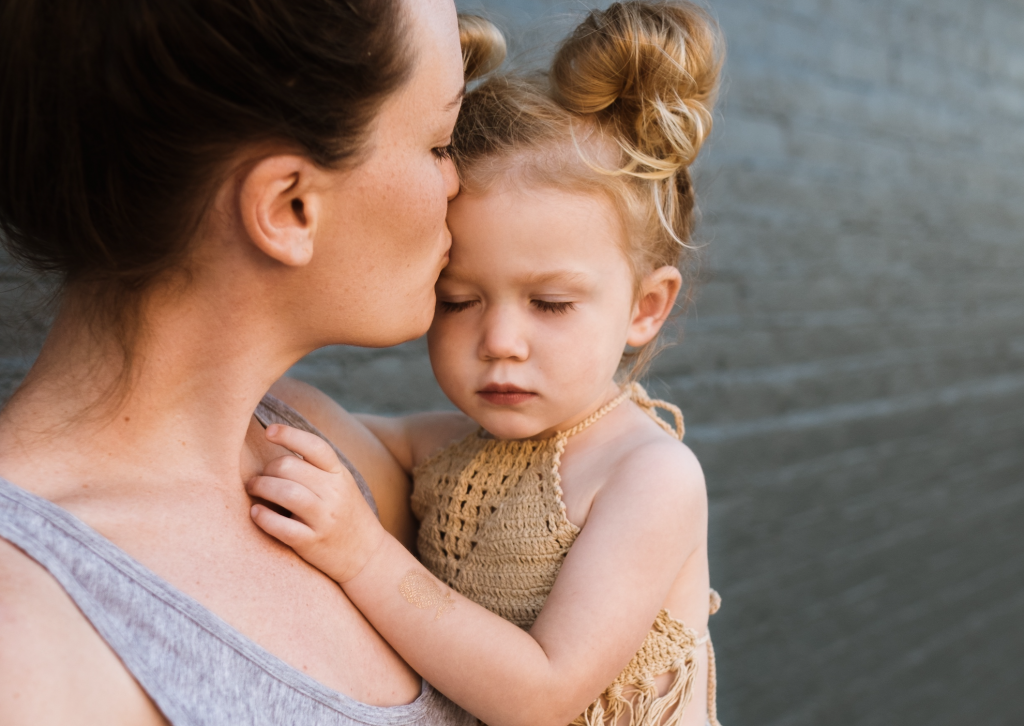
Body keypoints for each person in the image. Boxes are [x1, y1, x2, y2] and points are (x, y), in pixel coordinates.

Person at [0, 0, 481, 723]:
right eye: (441, 144)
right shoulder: (29, 640)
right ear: (289, 207)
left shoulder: (321, 449)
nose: (460, 183)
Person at [246, 3, 726, 725]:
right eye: (460, 299)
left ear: (644, 308)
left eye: (551, 304)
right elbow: (315, 421)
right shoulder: (447, 451)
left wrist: (364, 555)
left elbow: (542, 693)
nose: (500, 339)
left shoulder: (647, 478)